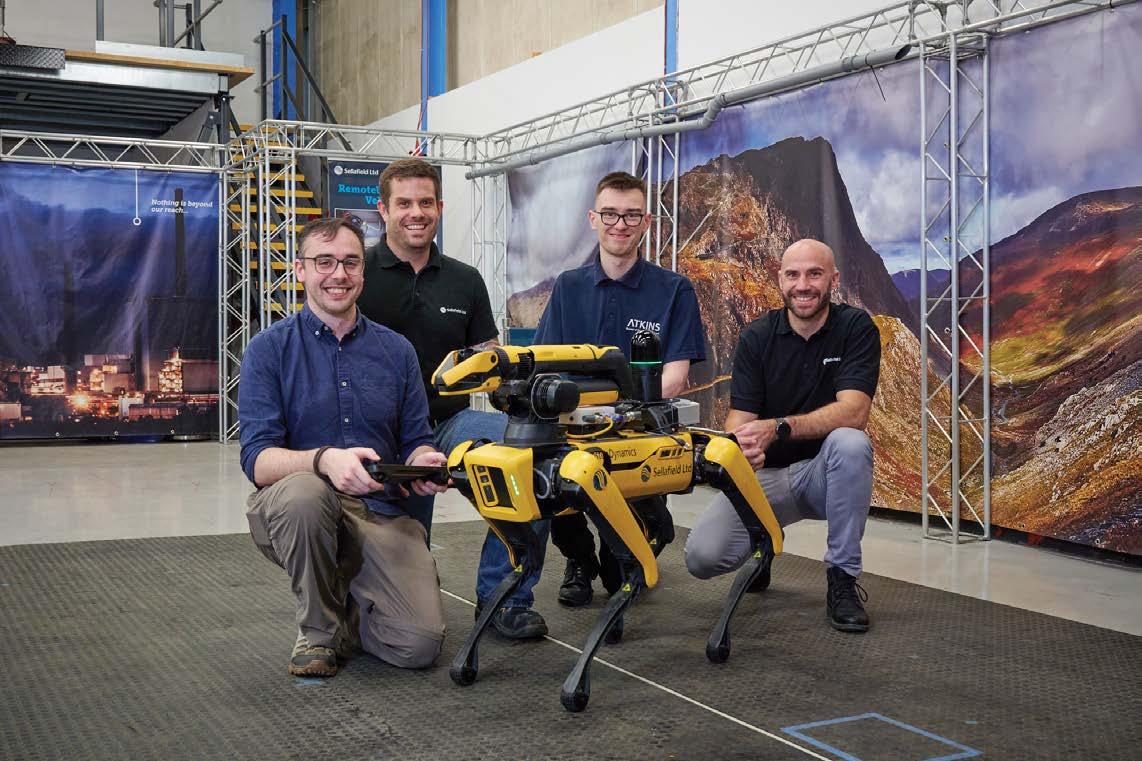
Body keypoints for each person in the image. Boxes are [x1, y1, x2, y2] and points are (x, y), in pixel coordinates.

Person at [475, 170, 708, 618]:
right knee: (552, 490)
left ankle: (635, 542)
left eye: (632, 215)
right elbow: (544, 361)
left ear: (646, 222)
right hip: (573, 430)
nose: (620, 224)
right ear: (593, 219)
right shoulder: (568, 286)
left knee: (628, 562)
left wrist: (619, 412)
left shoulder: (674, 290)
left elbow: (676, 378)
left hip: (639, 432)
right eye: (610, 214)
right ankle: (578, 559)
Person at [240, 217, 450, 678]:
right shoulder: (268, 350)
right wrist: (323, 461)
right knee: (306, 494)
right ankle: (317, 631)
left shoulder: (397, 351)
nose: (339, 274)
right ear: (300, 270)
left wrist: (423, 462)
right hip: (298, 507)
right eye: (324, 262)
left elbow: (416, 438)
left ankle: (347, 605)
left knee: (418, 645)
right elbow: (257, 459)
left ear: (363, 272)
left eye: (351, 262)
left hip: (378, 511)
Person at [355, 159, 548, 641]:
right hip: (379, 438)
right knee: (398, 600)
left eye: (426, 202)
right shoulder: (358, 275)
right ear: (383, 209)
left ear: (439, 207)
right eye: (404, 203)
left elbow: (488, 356)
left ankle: (505, 597)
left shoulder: (465, 280)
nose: (416, 213)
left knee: (535, 461)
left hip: (449, 424)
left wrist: (517, 390)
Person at [684, 238, 881, 632]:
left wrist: (778, 428)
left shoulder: (855, 328)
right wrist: (741, 444)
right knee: (702, 558)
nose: (803, 285)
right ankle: (763, 543)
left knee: (851, 443)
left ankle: (842, 579)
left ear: (833, 280)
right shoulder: (757, 336)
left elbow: (855, 412)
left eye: (814, 274)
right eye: (793, 275)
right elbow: (740, 417)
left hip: (824, 477)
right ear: (780, 279)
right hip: (767, 480)